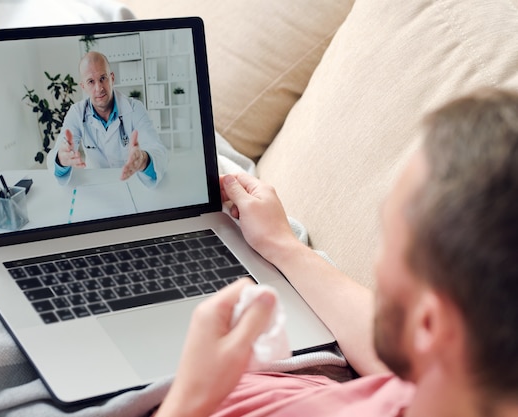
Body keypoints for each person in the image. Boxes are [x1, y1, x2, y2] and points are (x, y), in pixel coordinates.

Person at [153, 88, 518, 417]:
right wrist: (281, 243)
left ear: (429, 325)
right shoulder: (465, 378)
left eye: (389, 238)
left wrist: (190, 396)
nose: (377, 263)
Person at [47, 51, 168, 187]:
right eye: (91, 82)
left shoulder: (135, 108)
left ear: (112, 78)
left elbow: (157, 150)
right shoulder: (76, 113)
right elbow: (57, 156)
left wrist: (144, 160)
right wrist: (61, 159)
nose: (99, 88)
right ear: (83, 86)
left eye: (103, 78)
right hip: (96, 185)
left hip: (131, 182)